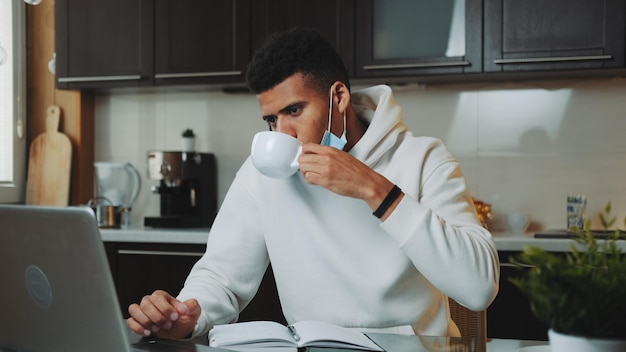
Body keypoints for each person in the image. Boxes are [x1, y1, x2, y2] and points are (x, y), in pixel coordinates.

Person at [127, 28, 500, 340]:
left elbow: (478, 288)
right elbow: (221, 276)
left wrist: (374, 189)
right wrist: (188, 315)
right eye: (271, 120)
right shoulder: (264, 173)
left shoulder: (424, 159)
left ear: (337, 98)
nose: (282, 132)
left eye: (294, 111)